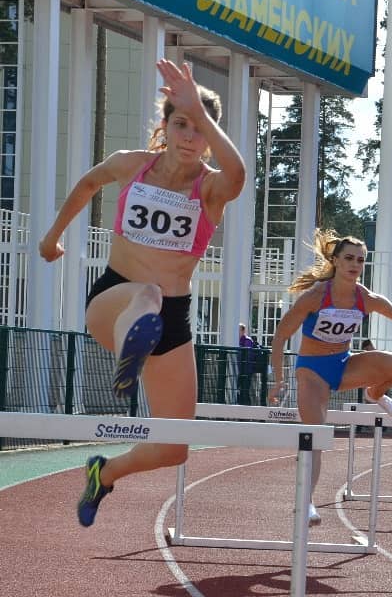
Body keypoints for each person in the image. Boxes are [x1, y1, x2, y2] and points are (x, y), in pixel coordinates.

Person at [38, 59, 246, 528]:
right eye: (181, 124)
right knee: (147, 293)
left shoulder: (210, 188)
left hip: (173, 318)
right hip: (114, 300)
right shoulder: (132, 165)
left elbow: (239, 174)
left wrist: (202, 111)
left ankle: (104, 473)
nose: (191, 137)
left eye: (200, 129)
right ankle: (132, 347)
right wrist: (52, 237)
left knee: (174, 447)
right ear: (166, 126)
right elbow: (90, 182)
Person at [268, 229, 392, 524]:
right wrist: (278, 378)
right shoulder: (315, 296)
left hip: (344, 364)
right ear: (336, 261)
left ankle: (374, 394)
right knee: (315, 435)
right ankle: (307, 501)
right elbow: (280, 337)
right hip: (312, 370)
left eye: (361, 260)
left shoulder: (365, 298)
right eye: (349, 258)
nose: (355, 264)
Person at [237, 322, 260, 405]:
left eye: (238, 330)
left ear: (243, 331)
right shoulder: (240, 340)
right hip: (240, 370)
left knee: (245, 391)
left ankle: (248, 410)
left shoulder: (247, 341)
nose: (237, 333)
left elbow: (248, 355)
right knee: (239, 390)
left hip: (246, 370)